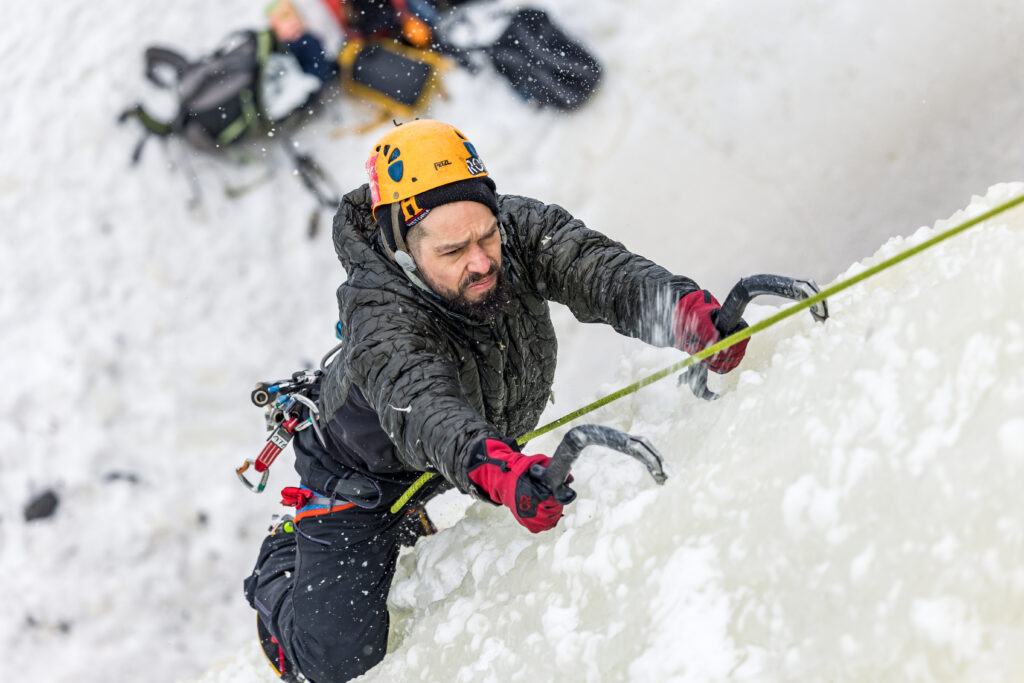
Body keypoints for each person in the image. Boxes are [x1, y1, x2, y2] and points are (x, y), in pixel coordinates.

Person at [243, 119, 749, 682]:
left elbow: (598, 272)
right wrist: (493, 468)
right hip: (362, 477)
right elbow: (422, 402)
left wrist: (685, 315)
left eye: (486, 235)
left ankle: (432, 498)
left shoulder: (518, 231)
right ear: (402, 251)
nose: (481, 260)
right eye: (453, 250)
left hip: (471, 444)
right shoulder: (380, 314)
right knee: (334, 664)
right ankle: (284, 558)